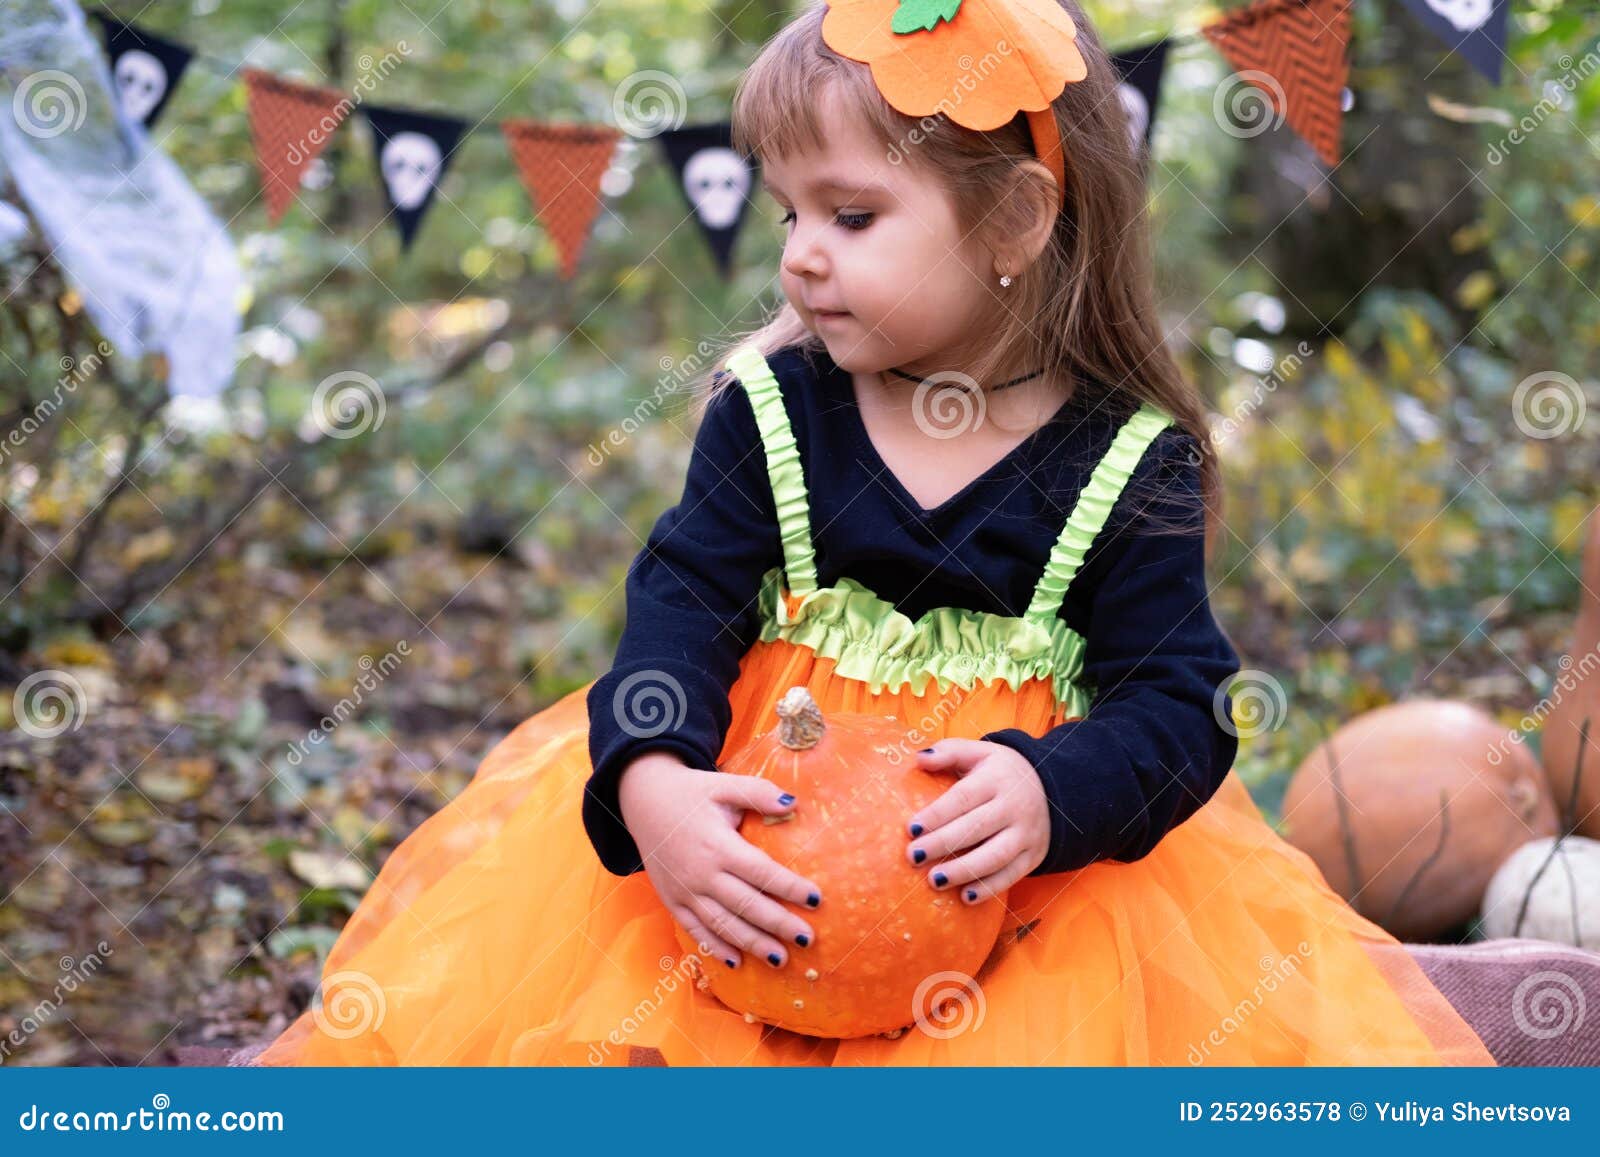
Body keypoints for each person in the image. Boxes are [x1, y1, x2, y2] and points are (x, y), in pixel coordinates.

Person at [255, 0, 1495, 1066]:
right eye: (788, 213)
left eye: (849, 217)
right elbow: (677, 608)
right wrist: (653, 785)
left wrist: (1049, 789)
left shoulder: (1126, 461)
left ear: (1014, 223)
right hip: (744, 869)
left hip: (1022, 926)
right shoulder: (772, 411)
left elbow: (1176, 701)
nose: (797, 259)